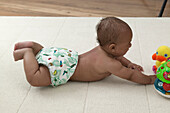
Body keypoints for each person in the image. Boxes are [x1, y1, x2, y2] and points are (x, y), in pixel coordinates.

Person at [13, 17, 156, 87]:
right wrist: (149, 79)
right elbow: (130, 76)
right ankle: (27, 53)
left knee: (44, 52)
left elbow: (120, 57)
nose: (130, 45)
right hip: (63, 69)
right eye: (128, 44)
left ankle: (34, 47)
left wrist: (129, 63)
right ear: (112, 47)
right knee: (35, 79)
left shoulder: (104, 50)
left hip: (65, 56)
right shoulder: (110, 63)